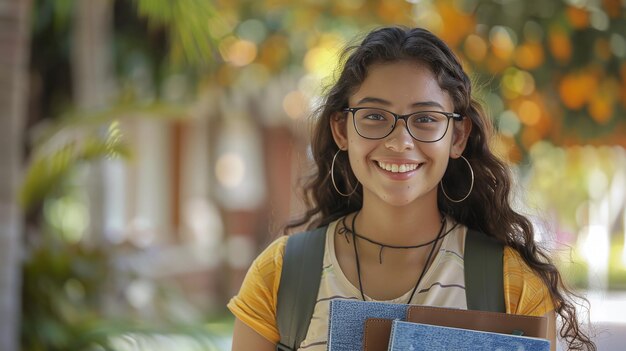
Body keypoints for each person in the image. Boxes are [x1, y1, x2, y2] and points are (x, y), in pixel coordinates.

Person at [228, 26, 595, 351]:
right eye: (374, 116)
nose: (400, 141)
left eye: (424, 119)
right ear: (342, 130)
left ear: (457, 135)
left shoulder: (511, 283)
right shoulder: (280, 275)